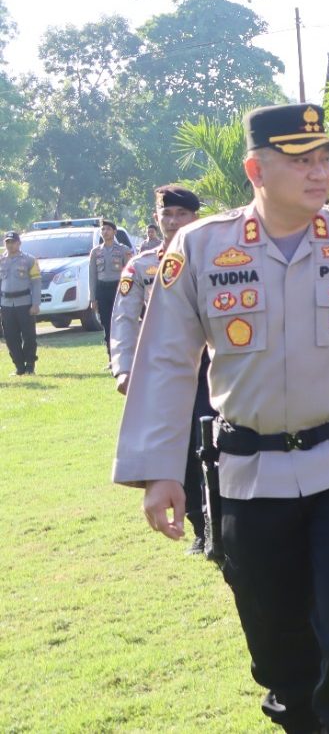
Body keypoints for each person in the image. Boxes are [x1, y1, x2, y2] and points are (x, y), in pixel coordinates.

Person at [112, 103, 329, 732]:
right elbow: (163, 361)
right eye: (301, 160)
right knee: (277, 645)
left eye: (325, 158)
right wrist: (159, 471)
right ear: (255, 170)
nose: (320, 172)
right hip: (249, 475)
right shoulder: (201, 247)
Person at [109, 185, 210, 553]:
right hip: (167, 374)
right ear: (157, 218)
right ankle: (201, 527)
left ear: (195, 218)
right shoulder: (141, 266)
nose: (173, 222)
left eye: (181, 215)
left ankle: (225, 519)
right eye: (166, 215)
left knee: (214, 446)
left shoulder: (213, 258)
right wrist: (123, 368)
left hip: (211, 371)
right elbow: (123, 319)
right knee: (179, 450)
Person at [89, 219, 133, 353]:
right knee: (106, 323)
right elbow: (92, 276)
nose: (105, 232)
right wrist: (93, 298)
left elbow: (130, 273)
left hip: (118, 289)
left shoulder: (123, 250)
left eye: (108, 229)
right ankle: (111, 355)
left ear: (114, 232)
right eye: (103, 229)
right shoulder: (96, 252)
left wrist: (129, 293)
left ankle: (123, 352)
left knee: (120, 323)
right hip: (102, 290)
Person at [1, 231, 41, 375]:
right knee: (11, 338)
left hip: (24, 303)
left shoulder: (29, 260)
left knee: (29, 336)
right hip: (6, 304)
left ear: (19, 243)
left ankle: (30, 366)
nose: (10, 245)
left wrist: (36, 303)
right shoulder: (1, 260)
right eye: (7, 242)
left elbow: (36, 283)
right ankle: (19, 367)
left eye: (13, 242)